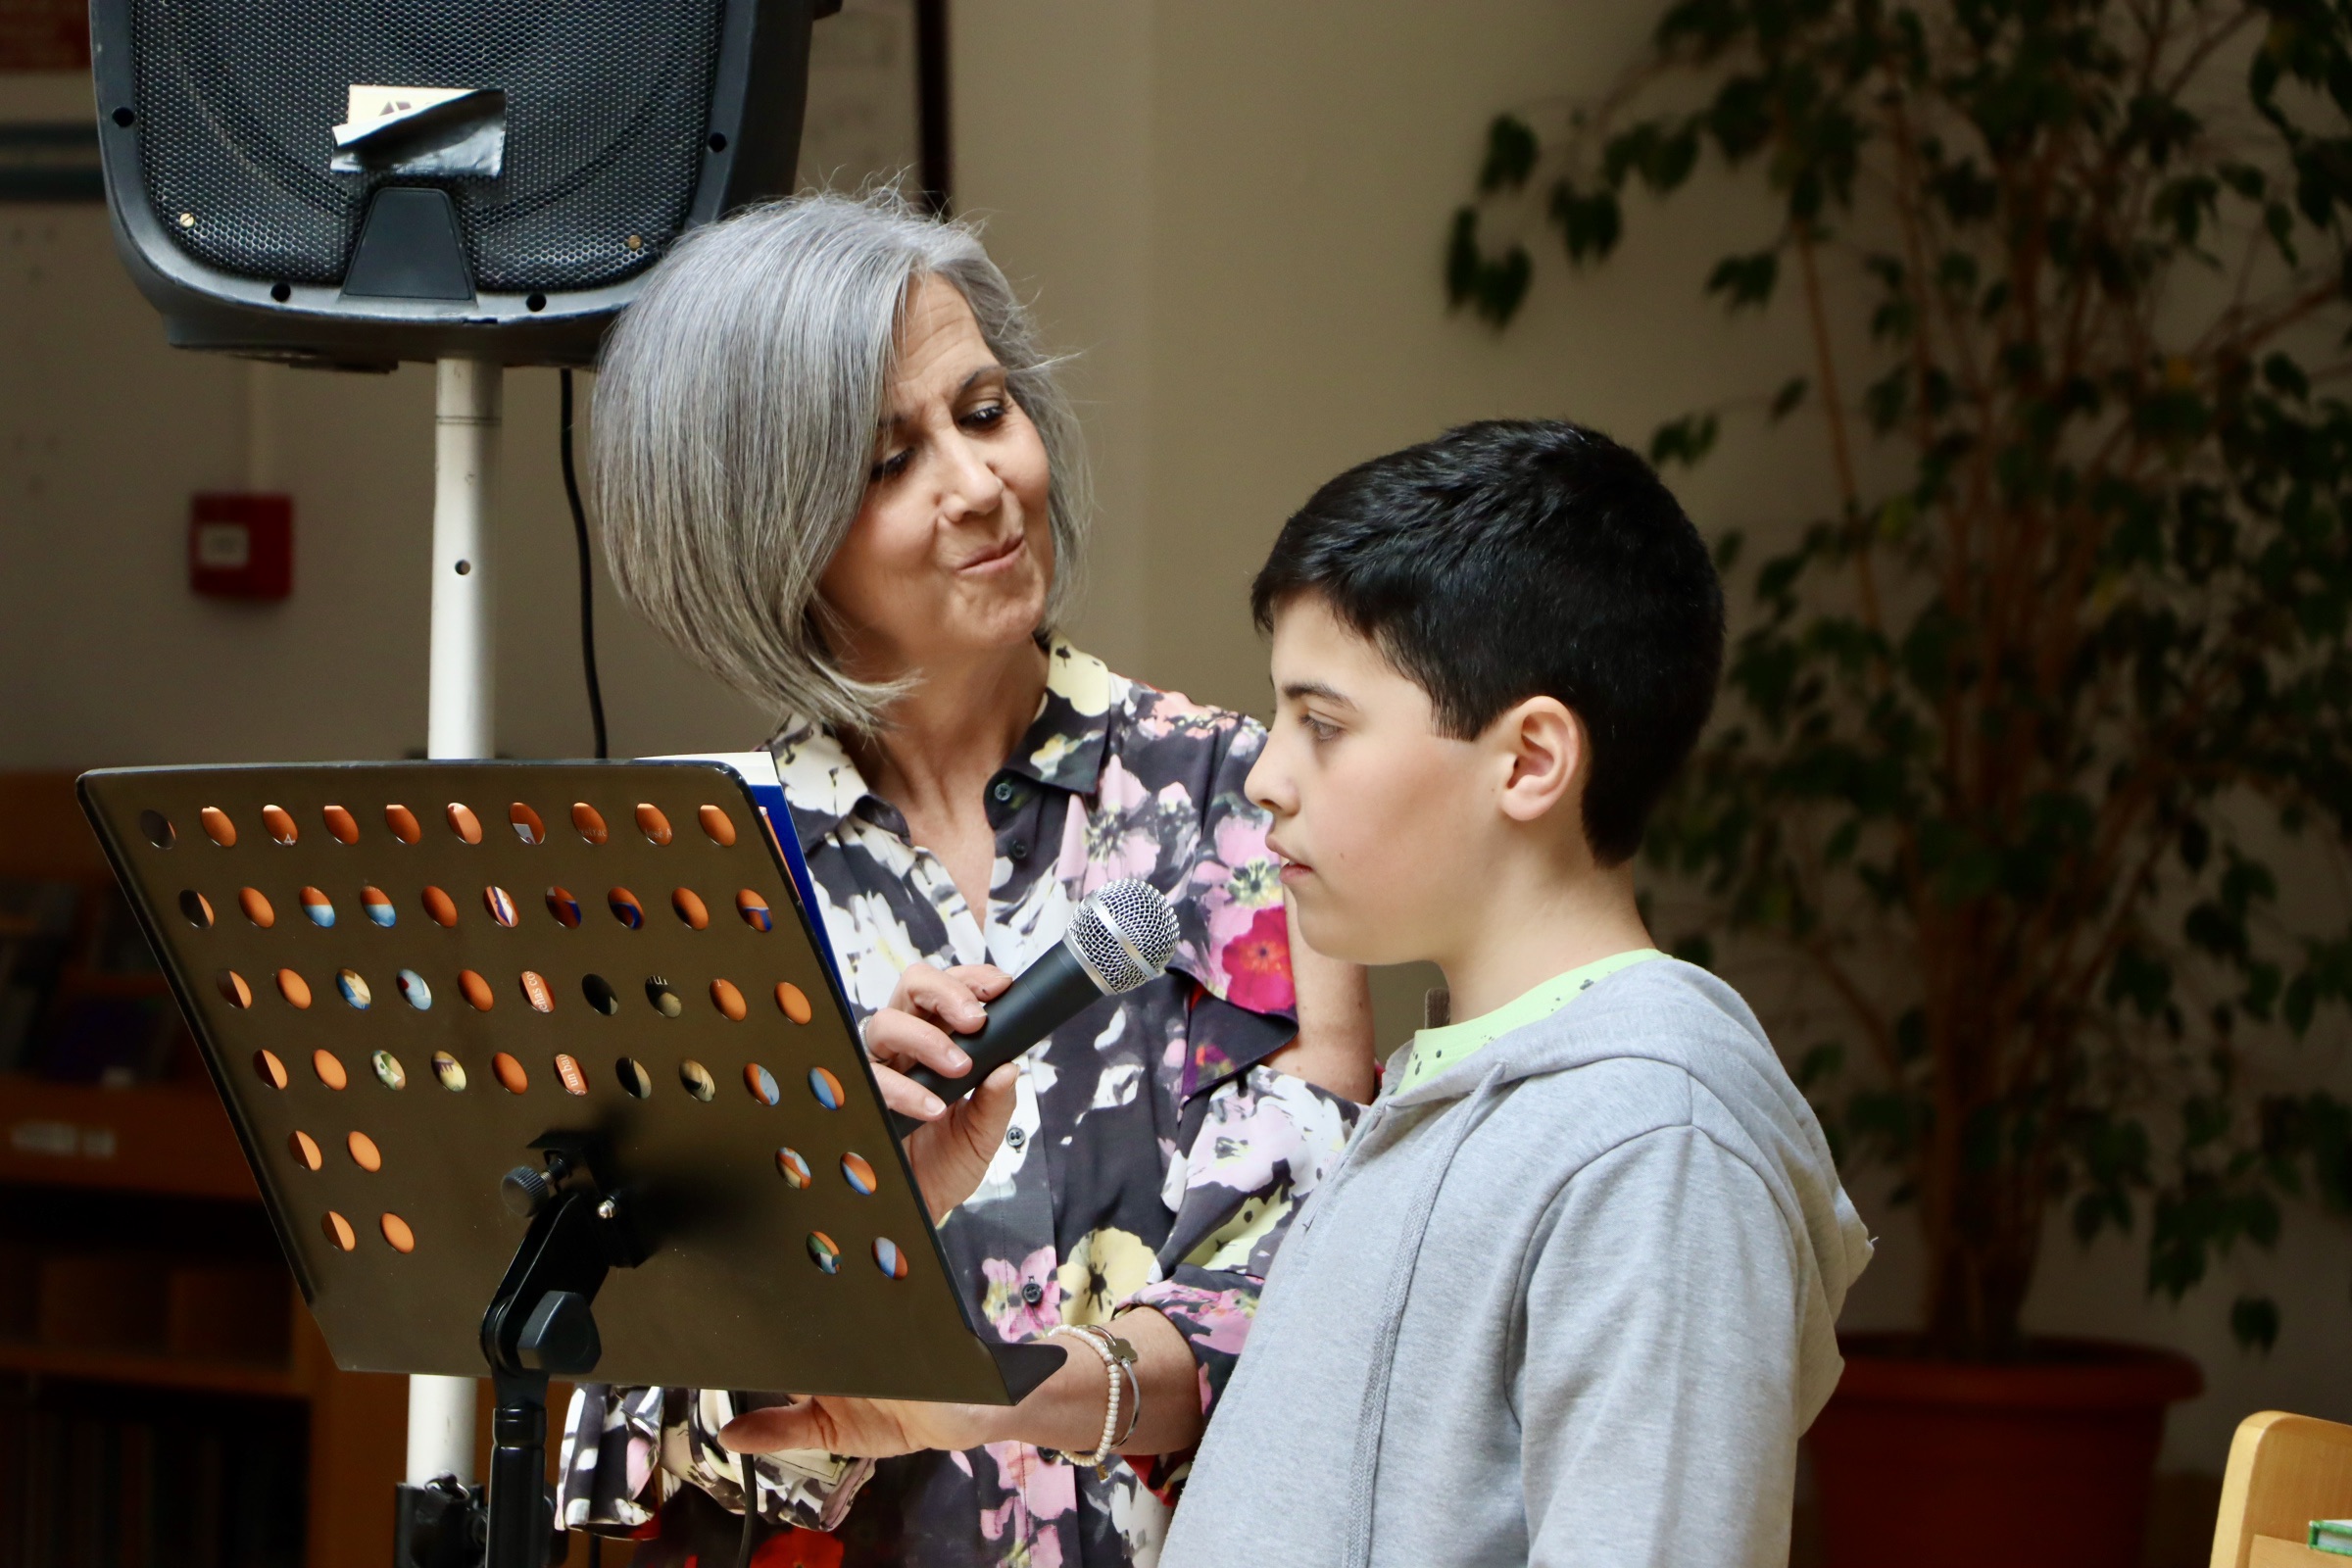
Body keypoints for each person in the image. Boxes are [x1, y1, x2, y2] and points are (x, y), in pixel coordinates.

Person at [557, 190, 1376, 1568]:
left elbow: (1299, 1325)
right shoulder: (695, 889)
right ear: (770, 537)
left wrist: (1018, 1395)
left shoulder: (1254, 808)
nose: (980, 484)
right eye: (888, 462)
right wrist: (855, 1202)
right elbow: (651, 1434)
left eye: (985, 411)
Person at [1158, 420, 1875, 1568]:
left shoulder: (1654, 1143)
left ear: (1531, 759)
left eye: (1324, 724)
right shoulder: (1458, 1092)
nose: (1264, 775)